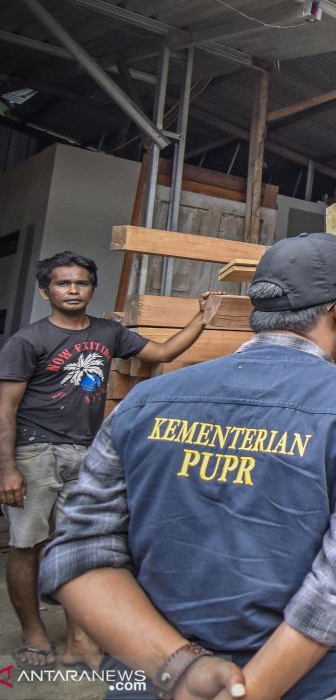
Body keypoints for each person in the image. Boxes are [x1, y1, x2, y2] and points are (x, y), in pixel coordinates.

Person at [39, 233, 336, 700]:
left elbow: (78, 552)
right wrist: (245, 692)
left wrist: (179, 668)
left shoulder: (144, 403)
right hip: (310, 686)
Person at [0, 252, 216, 671]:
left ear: (91, 288)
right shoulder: (28, 341)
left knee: (78, 545)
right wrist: (6, 468)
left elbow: (164, 352)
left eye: (81, 283)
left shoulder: (107, 333)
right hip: (35, 452)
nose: (73, 290)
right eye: (63, 284)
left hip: (87, 450)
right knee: (26, 545)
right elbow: (4, 409)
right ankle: (33, 631)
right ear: (46, 291)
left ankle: (81, 638)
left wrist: (201, 318)